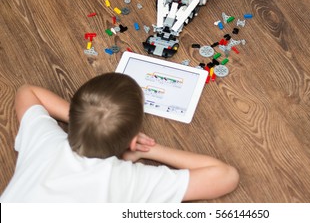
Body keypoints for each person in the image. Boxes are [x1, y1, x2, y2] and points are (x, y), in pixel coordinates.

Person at [0, 72, 239, 202]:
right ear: (133, 140)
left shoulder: (44, 142)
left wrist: (83, 121)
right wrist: (149, 150)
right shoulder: (128, 180)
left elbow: (27, 92)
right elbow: (226, 176)